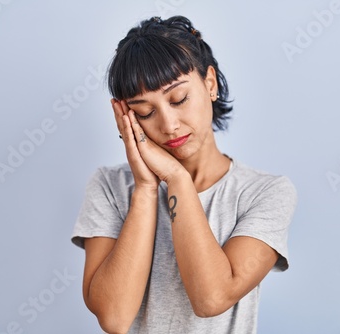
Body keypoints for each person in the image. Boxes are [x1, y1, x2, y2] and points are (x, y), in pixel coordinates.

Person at [71, 15, 297, 334]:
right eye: (145, 112)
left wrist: (176, 178)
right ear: (127, 118)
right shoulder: (109, 186)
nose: (168, 124)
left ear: (210, 84)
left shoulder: (265, 192)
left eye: (179, 99)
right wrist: (147, 189)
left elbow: (211, 298)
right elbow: (114, 318)